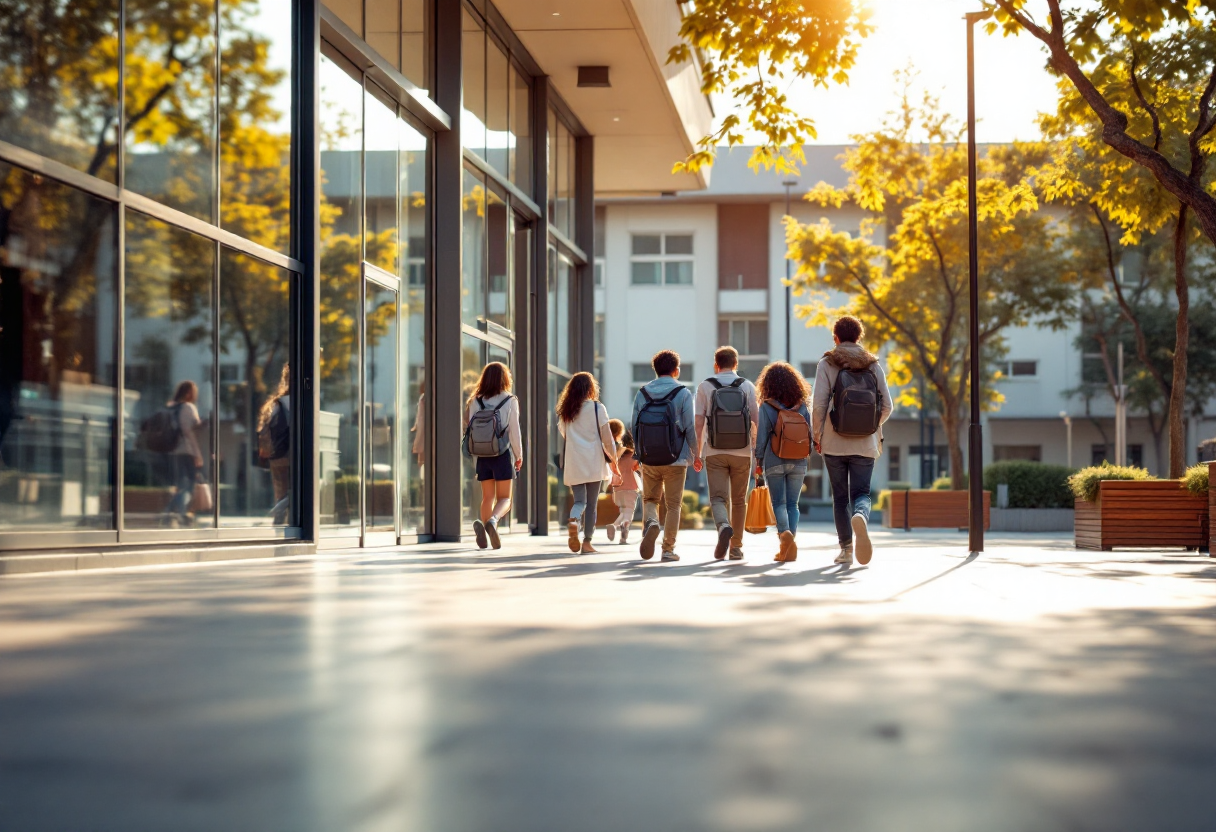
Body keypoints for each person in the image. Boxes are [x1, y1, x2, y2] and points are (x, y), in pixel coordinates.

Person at [811, 315, 893, 566]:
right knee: (862, 493)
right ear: (859, 337)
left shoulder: (827, 363)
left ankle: (846, 549)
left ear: (835, 337)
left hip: (834, 442)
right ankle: (861, 516)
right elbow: (888, 406)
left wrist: (818, 435)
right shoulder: (873, 365)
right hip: (865, 444)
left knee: (839, 497)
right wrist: (870, 427)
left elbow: (819, 405)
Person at [693, 346, 758, 561]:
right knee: (739, 500)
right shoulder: (747, 386)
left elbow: (699, 422)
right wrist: (756, 451)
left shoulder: (705, 386)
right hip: (742, 451)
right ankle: (736, 547)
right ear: (736, 364)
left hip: (714, 450)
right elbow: (756, 421)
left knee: (718, 498)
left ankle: (723, 526)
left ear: (716, 364)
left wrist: (697, 452)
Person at [631, 349, 695, 562]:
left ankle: (651, 522)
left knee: (650, 499)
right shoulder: (683, 393)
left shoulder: (643, 392)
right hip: (676, 458)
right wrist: (696, 454)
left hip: (649, 458)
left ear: (656, 370)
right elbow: (690, 428)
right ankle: (667, 549)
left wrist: (637, 455)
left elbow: (635, 426)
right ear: (676, 371)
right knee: (673, 504)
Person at [754, 363, 813, 562]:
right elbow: (809, 434)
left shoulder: (767, 406)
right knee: (792, 504)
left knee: (778, 502)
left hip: (774, 459)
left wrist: (759, 461)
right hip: (799, 460)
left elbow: (762, 437)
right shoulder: (802, 405)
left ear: (767, 384)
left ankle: (784, 539)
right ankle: (791, 542)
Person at [557, 372, 619, 554]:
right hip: (593, 461)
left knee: (579, 501)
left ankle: (574, 519)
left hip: (574, 460)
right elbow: (607, 438)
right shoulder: (597, 408)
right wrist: (614, 460)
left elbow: (565, 434)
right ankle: (587, 543)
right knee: (591, 503)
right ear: (591, 388)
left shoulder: (566, 411)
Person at [463, 361, 523, 550]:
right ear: (505, 378)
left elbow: (469, 429)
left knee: (487, 497)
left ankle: (484, 527)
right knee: (505, 498)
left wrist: (475, 456)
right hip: (502, 453)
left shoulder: (475, 400)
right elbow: (514, 430)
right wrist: (519, 454)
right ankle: (494, 521)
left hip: (481, 455)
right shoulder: (510, 400)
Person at [164, 380, 204, 527]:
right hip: (186, 450)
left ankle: (174, 513)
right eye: (194, 392)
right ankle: (177, 513)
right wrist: (197, 453)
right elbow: (189, 432)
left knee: (181, 484)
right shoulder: (188, 407)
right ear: (188, 393)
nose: (195, 395)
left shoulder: (170, 406)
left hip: (172, 450)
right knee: (189, 485)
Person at [257, 364, 292, 525]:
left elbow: (264, 429)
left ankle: (278, 520)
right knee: (296, 491)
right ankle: (280, 515)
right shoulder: (303, 401)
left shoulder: (276, 403)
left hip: (276, 454)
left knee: (281, 491)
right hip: (293, 454)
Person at [605, 419, 638, 544]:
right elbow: (638, 469)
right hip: (630, 489)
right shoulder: (633, 457)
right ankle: (615, 526)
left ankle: (623, 537)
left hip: (617, 489)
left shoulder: (616, 457)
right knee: (629, 512)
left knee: (623, 511)